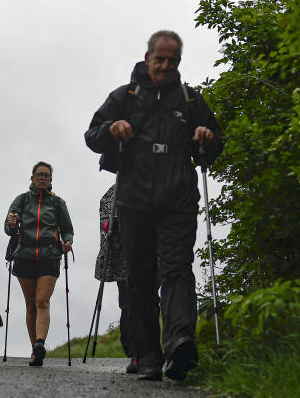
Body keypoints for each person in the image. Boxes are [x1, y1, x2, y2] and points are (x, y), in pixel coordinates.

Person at [85, 30, 222, 381]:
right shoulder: (125, 97)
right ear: (148, 58)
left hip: (178, 197)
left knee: (177, 268)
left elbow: (216, 142)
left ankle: (179, 344)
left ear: (178, 62)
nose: (165, 65)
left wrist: (206, 137)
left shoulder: (190, 100)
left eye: (172, 60)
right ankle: (148, 355)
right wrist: (113, 129)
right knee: (141, 276)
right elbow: (92, 136)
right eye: (160, 59)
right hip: (134, 198)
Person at [4, 161, 75, 367]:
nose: (43, 178)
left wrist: (67, 241)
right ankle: (35, 350)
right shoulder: (22, 200)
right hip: (24, 255)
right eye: (39, 175)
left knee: (42, 300)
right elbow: (8, 229)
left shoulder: (57, 203)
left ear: (51, 179)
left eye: (46, 175)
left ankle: (40, 344)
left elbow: (68, 229)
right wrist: (11, 222)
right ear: (32, 177)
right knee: (30, 304)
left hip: (49, 255)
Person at [94, 183, 138, 373]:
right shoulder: (114, 192)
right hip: (124, 260)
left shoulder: (156, 180)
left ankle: (148, 351)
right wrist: (111, 225)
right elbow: (105, 221)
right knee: (128, 304)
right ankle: (135, 352)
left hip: (151, 257)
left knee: (149, 301)